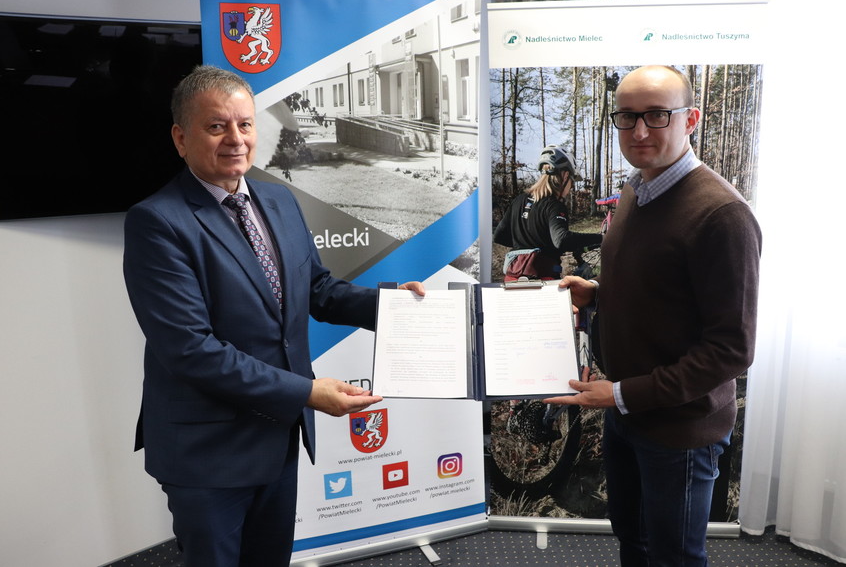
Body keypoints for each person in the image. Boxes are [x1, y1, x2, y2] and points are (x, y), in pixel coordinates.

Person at [122, 65, 424, 567]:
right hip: (208, 453)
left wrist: (392, 309)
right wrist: (307, 392)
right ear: (180, 138)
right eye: (216, 126)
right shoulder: (157, 222)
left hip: (277, 437)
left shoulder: (278, 198)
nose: (235, 139)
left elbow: (317, 289)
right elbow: (192, 350)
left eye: (244, 124)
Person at [544, 65, 761, 566]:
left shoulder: (723, 216)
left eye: (657, 115)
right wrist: (598, 293)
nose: (639, 131)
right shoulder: (636, 190)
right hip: (625, 414)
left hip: (680, 430)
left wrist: (620, 394)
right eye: (627, 116)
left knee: (673, 556)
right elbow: (665, 288)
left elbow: (731, 349)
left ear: (691, 120)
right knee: (633, 538)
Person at [493, 145, 602, 281]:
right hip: (541, 280)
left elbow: (499, 236)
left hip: (512, 277)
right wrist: (600, 238)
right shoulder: (554, 204)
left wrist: (525, 246)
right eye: (572, 181)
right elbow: (561, 240)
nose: (571, 187)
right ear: (565, 175)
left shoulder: (518, 200)